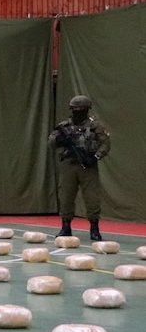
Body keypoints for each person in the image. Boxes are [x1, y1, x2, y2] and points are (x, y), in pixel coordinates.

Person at [49, 94, 111, 240]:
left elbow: (105, 144)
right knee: (66, 195)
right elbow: (51, 142)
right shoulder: (64, 126)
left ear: (87, 110)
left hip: (88, 165)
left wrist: (95, 157)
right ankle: (66, 226)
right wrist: (59, 140)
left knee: (92, 197)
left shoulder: (95, 126)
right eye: (75, 110)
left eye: (81, 109)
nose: (78, 112)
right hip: (69, 164)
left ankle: (94, 228)